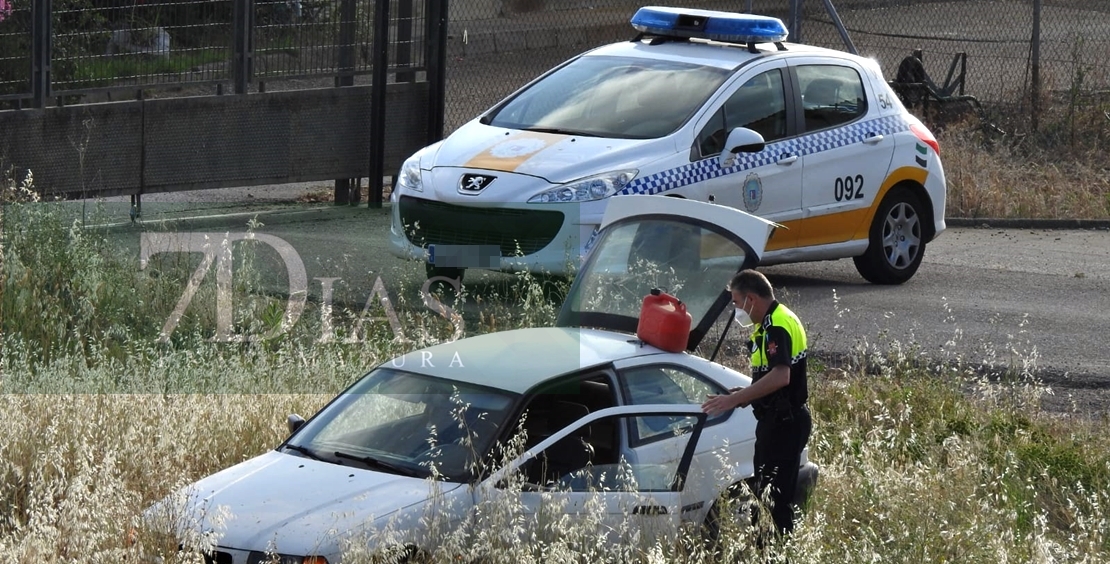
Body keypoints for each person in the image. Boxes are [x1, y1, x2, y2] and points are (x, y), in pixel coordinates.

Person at [702, 269, 811, 538]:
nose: (737, 310)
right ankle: (767, 547)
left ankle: (776, 551)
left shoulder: (775, 325)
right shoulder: (774, 321)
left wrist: (734, 399)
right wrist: (749, 393)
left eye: (737, 303)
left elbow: (781, 376)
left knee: (775, 500)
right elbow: (774, 378)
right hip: (777, 421)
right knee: (765, 494)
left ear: (751, 298)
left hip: (784, 425)